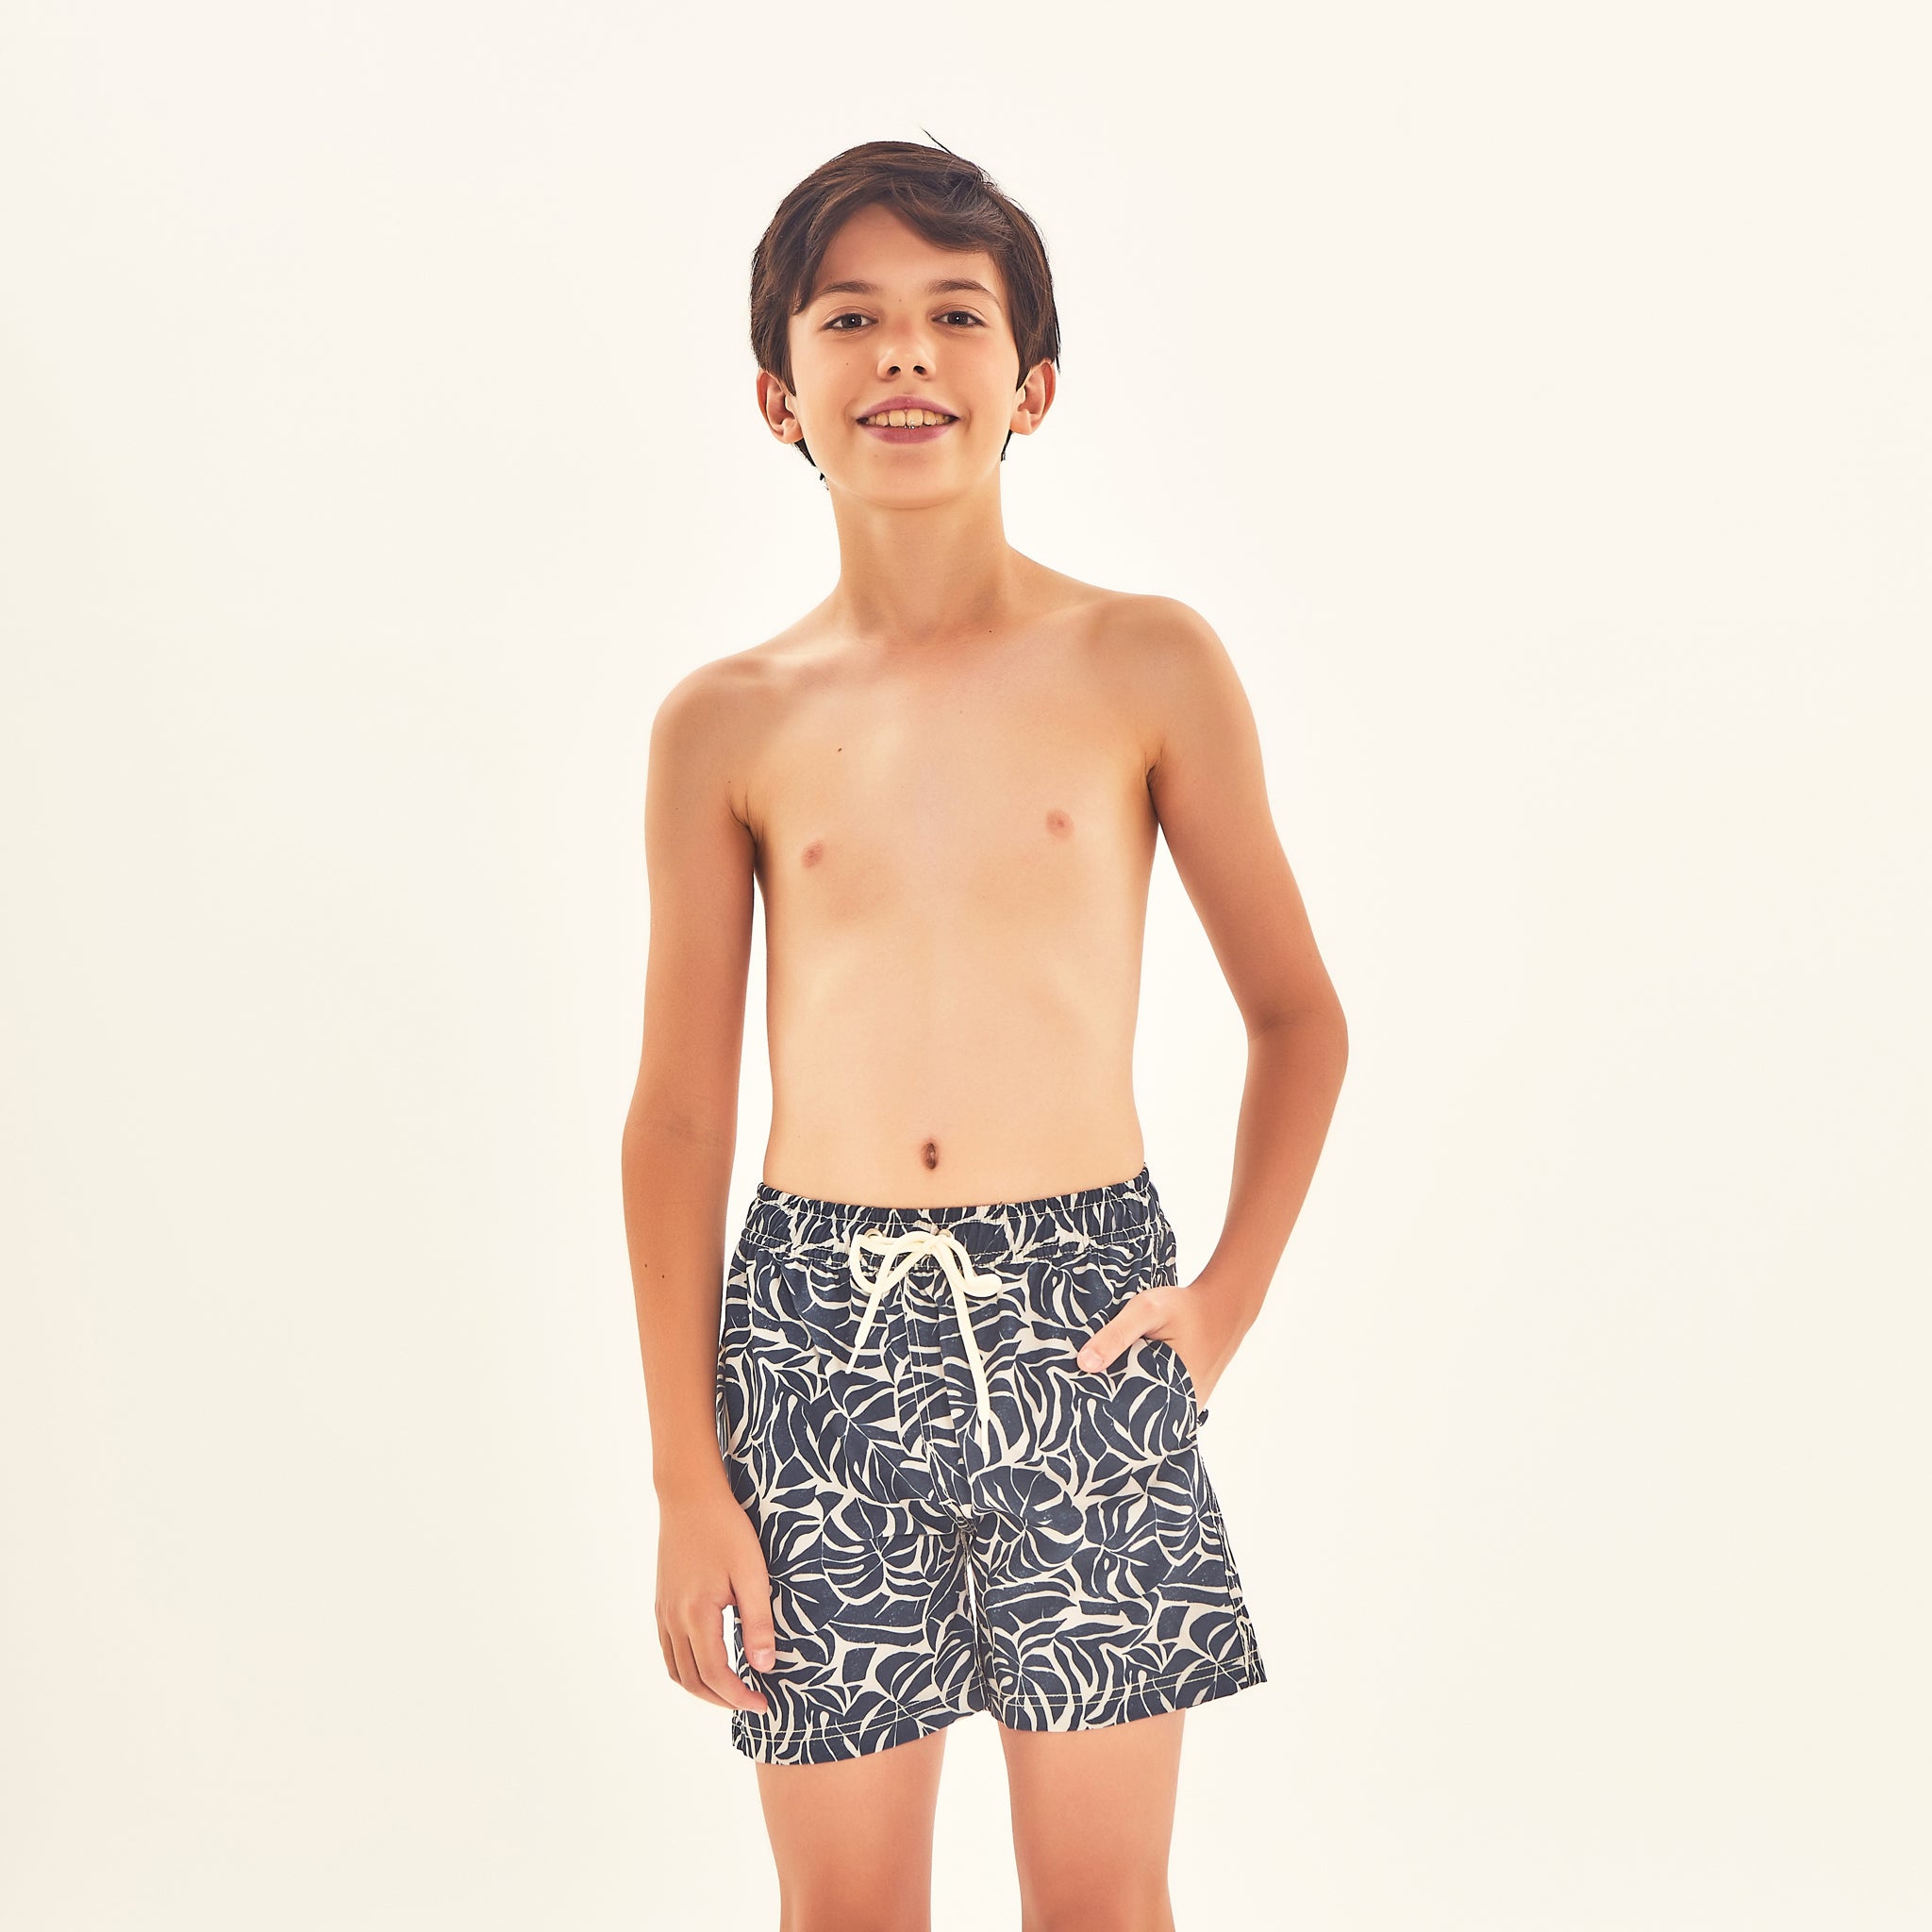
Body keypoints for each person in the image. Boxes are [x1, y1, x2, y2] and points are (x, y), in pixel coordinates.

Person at [621, 137, 1348, 1932]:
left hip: (1084, 1322)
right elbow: (678, 1120)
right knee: (846, 1909)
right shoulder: (726, 724)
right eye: (850, 318)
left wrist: (1224, 1304)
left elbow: (1297, 1016)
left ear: (1032, 383)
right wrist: (688, 1475)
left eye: (956, 314)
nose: (904, 352)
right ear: (778, 393)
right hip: (813, 1343)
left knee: (1101, 1898)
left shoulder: (1145, 664)